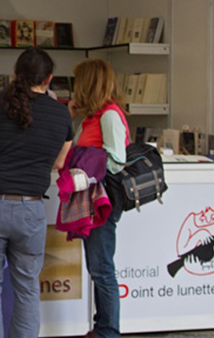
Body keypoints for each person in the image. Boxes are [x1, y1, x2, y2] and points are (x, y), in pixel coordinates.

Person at [0, 48, 72, 338]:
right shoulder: (62, 115)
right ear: (49, 79)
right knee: (28, 287)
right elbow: (59, 162)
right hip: (30, 210)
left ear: (16, 73)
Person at [69, 58, 129, 338]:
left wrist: (87, 164)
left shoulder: (109, 115)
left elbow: (117, 160)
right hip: (91, 199)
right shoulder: (93, 116)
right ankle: (101, 326)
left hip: (101, 201)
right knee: (97, 266)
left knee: (102, 267)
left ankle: (108, 330)